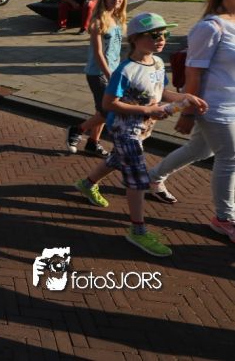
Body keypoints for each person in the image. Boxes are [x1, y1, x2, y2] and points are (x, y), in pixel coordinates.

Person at [73, 13, 207, 257]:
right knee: (138, 179)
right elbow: (109, 103)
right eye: (154, 35)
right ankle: (138, 230)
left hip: (143, 128)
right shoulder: (125, 70)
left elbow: (161, 92)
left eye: (164, 34)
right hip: (124, 131)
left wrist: (186, 97)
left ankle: (87, 184)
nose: (161, 39)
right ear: (135, 38)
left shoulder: (157, 63)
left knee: (117, 159)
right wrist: (147, 110)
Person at [147, 0, 235, 229]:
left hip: (231, 101)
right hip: (212, 105)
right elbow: (193, 73)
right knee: (230, 157)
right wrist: (187, 112)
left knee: (200, 149)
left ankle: (153, 177)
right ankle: (224, 218)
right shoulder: (211, 27)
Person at [65, 0, 128, 156]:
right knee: (108, 110)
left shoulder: (118, 18)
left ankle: (93, 142)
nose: (117, 0)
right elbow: (99, 53)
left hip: (113, 71)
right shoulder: (98, 21)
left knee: (101, 109)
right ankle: (77, 130)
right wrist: (109, 74)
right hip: (98, 73)